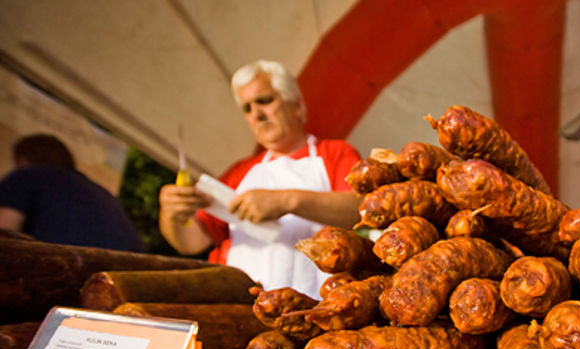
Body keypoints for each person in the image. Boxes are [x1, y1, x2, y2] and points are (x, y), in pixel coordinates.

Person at [158, 59, 362, 299]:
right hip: (240, 309)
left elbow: (359, 209)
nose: (257, 113)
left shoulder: (334, 153)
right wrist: (171, 215)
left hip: (318, 307)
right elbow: (193, 243)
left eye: (265, 100)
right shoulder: (239, 172)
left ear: (296, 105)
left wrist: (286, 201)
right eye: (247, 108)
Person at [0, 134, 145, 252]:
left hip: (71, 278)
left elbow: (5, 238)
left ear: (23, 160)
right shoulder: (102, 192)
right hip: (131, 279)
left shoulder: (27, 174)